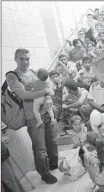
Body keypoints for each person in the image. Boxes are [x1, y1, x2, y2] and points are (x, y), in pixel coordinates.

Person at [6, 49, 58, 184]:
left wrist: (49, 100)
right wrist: (45, 90)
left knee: (52, 141)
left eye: (27, 59)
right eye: (22, 58)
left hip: (47, 112)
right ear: (15, 58)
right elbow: (23, 95)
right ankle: (44, 173)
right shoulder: (12, 76)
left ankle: (53, 165)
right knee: (40, 148)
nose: (25, 62)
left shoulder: (33, 72)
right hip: (33, 117)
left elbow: (46, 86)